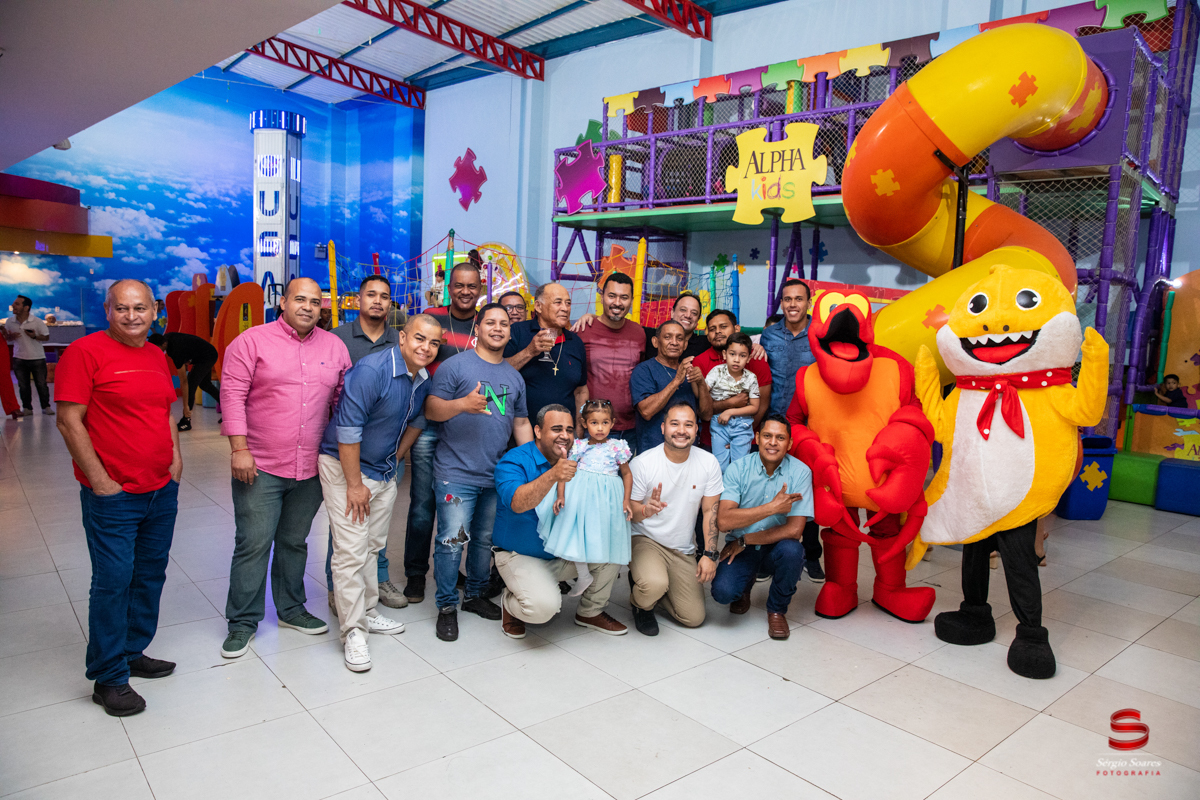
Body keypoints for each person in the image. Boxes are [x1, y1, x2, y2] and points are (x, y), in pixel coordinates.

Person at [54, 279, 181, 716]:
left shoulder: (156, 355)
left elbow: (165, 412)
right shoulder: (84, 353)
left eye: (140, 308)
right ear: (108, 311)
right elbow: (69, 421)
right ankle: (109, 676)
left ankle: (131, 651)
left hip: (160, 489)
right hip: (114, 495)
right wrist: (101, 482)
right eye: (122, 308)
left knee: (149, 574)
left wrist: (175, 461)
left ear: (154, 311)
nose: (132, 316)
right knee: (113, 581)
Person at [219, 277, 352, 660]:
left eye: (315, 301)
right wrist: (239, 449)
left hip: (311, 467)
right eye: (300, 299)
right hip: (259, 465)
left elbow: (342, 402)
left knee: (294, 542)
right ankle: (242, 622)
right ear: (283, 302)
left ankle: (292, 609)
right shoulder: (251, 342)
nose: (308, 307)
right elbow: (232, 395)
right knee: (253, 543)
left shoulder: (335, 347)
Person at [318, 315, 441, 671]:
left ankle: (368, 612)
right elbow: (348, 430)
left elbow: (417, 421)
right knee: (350, 553)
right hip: (346, 469)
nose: (426, 348)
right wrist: (354, 484)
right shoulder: (372, 371)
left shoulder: (422, 377)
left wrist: (396, 459)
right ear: (402, 338)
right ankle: (353, 632)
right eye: (419, 338)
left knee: (372, 546)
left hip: (383, 470)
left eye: (434, 343)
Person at [424, 303, 534, 641]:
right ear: (477, 329)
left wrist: (533, 465)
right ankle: (446, 607)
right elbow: (431, 409)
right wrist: (462, 404)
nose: (498, 328)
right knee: (452, 542)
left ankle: (474, 595)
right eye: (491, 323)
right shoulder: (455, 366)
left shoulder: (514, 376)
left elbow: (520, 422)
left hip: (494, 473)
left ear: (510, 332)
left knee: (484, 540)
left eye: (504, 324)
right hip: (455, 472)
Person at [493, 405, 628, 638]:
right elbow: (517, 503)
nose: (564, 436)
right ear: (538, 431)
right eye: (556, 429)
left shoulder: (582, 457)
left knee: (611, 549)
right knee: (542, 608)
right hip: (521, 555)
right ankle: (510, 602)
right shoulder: (515, 460)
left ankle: (589, 612)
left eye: (569, 430)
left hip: (565, 553)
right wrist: (554, 474)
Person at [322, 275, 407, 611]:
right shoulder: (336, 339)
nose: (377, 301)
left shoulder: (400, 341)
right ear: (358, 300)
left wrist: (397, 454)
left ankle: (378, 579)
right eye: (371, 294)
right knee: (345, 525)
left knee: (377, 528)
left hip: (387, 451)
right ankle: (338, 587)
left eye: (384, 296)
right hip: (346, 449)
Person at [404, 261, 483, 603]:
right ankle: (415, 572)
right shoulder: (432, 318)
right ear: (449, 288)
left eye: (472, 286)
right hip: (429, 424)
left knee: (457, 503)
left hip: (467, 428)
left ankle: (449, 569)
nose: (465, 291)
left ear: (480, 289)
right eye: (459, 285)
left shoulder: (486, 323)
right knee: (423, 504)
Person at [710, 416, 813, 640]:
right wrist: (771, 508)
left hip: (774, 547)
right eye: (767, 436)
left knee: (793, 551)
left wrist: (745, 540)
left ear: (789, 443)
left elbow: (794, 531)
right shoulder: (738, 468)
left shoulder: (801, 472)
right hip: (742, 550)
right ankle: (744, 587)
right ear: (757, 438)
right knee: (723, 593)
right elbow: (724, 521)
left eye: (780, 438)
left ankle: (777, 610)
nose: (773, 442)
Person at [627, 402, 723, 635]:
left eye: (688, 425)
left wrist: (709, 554)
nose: (681, 430)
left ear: (696, 429)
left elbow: (710, 511)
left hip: (682, 547)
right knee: (654, 584)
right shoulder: (643, 463)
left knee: (694, 618)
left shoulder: (708, 462)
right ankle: (641, 602)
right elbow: (630, 512)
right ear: (663, 428)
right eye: (674, 424)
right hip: (646, 539)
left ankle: (655, 588)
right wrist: (646, 511)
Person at [759, 278, 824, 583]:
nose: (793, 304)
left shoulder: (820, 334)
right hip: (772, 423)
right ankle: (765, 555)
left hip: (809, 425)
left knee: (807, 489)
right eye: (787, 299)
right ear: (781, 303)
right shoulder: (769, 335)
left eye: (799, 299)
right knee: (769, 490)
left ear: (808, 303)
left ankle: (811, 554)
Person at [537, 398, 633, 596]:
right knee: (577, 534)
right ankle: (583, 574)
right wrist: (560, 495)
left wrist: (626, 500)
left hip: (607, 500)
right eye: (594, 422)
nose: (600, 428)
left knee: (600, 535)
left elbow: (627, 474)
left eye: (605, 423)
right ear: (584, 423)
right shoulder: (579, 446)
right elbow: (564, 471)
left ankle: (598, 580)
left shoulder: (618, 447)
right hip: (581, 497)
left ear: (612, 423)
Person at [505, 282, 588, 430]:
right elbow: (498, 372)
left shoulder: (575, 342)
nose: (565, 308)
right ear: (538, 306)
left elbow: (581, 391)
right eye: (558, 302)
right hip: (519, 431)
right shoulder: (517, 332)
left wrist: (579, 429)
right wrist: (529, 351)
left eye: (568, 303)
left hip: (564, 433)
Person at [576, 272, 644, 451]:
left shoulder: (639, 333)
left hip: (631, 428)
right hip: (593, 428)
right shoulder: (583, 330)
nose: (617, 302)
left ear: (631, 301)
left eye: (624, 297)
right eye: (612, 296)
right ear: (602, 297)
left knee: (627, 471)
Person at [694, 309, 773, 450]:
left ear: (736, 329)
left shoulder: (756, 358)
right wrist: (730, 403)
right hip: (712, 440)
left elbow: (761, 406)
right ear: (707, 335)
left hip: (747, 439)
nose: (718, 331)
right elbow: (703, 410)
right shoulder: (700, 362)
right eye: (712, 329)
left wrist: (740, 435)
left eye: (723, 326)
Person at [629, 320, 712, 453]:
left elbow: (706, 415)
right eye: (667, 337)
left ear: (685, 344)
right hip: (653, 452)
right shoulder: (644, 370)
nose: (674, 342)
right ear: (655, 342)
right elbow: (646, 412)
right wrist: (676, 381)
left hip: (687, 452)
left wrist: (701, 383)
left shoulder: (689, 371)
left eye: (679, 338)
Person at [573, 291, 708, 361]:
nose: (688, 315)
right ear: (672, 313)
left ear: (698, 319)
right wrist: (594, 317)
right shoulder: (649, 335)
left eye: (694, 313)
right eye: (683, 310)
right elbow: (620, 324)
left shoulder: (704, 344)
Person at [706, 332, 761, 471]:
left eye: (742, 356)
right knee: (720, 466)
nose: (736, 360)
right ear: (725, 354)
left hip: (742, 426)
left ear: (748, 358)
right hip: (719, 424)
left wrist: (730, 411)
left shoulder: (751, 378)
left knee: (740, 467)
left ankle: (737, 486)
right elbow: (703, 393)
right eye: (732, 354)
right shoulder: (716, 372)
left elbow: (754, 407)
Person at [148, 332, 219, 431]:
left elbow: (184, 382)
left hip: (208, 355)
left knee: (190, 384)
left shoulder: (175, 351)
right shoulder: (167, 338)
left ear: (163, 344)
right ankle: (228, 410)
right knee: (205, 384)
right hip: (206, 353)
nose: (156, 352)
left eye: (157, 349)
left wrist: (186, 406)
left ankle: (186, 421)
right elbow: (187, 344)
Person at [3, 294, 53, 416]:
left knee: (41, 384)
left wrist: (34, 336)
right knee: (23, 385)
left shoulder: (36, 321)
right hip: (19, 357)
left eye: (17, 304)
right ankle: (27, 408)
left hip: (37, 357)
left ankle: (46, 406)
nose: (13, 305)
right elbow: (7, 338)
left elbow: (46, 337)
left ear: (26, 308)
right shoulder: (10, 322)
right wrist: (10, 337)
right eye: (14, 303)